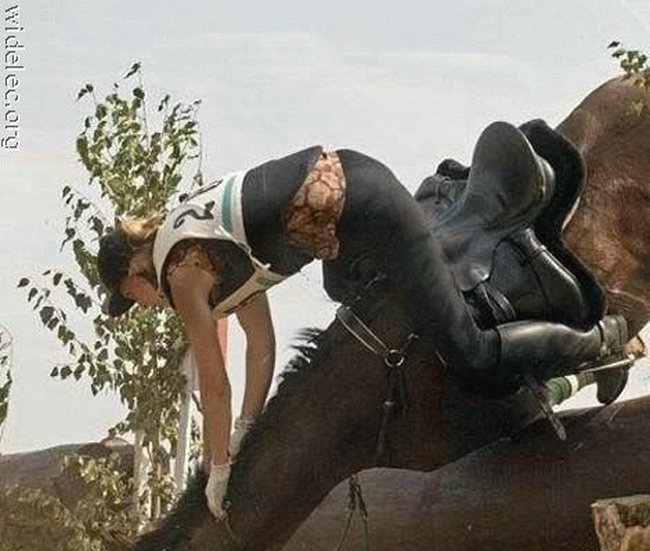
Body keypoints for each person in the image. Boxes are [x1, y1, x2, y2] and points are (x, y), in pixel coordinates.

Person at [97, 144, 628, 517]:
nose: (142, 305)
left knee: (472, 353)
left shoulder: (180, 270)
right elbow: (260, 345)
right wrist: (245, 429)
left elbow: (214, 386)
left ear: (133, 271)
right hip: (349, 217)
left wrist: (217, 469)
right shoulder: (199, 244)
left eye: (131, 298)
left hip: (368, 211)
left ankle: (602, 339)